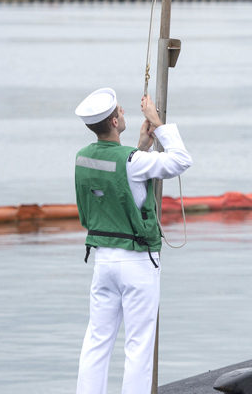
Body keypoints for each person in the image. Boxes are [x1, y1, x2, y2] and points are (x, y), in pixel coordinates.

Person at [74, 88, 193, 394]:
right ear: (114, 121)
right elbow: (181, 160)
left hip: (103, 261)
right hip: (137, 261)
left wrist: (142, 147)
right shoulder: (133, 162)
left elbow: (116, 179)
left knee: (97, 341)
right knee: (138, 346)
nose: (125, 113)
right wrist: (159, 123)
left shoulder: (83, 157)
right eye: (121, 112)